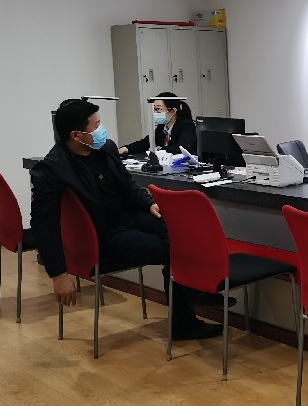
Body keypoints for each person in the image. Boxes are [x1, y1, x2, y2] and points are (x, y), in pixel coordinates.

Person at [30, 98, 222, 340]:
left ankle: (193, 299)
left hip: (127, 217)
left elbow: (127, 183)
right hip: (101, 237)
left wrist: (148, 202)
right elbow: (43, 224)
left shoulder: (106, 148)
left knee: (180, 230)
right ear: (76, 135)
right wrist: (58, 274)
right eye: (96, 126)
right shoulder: (53, 169)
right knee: (173, 248)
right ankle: (186, 317)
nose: (102, 130)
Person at [119, 92, 197, 156]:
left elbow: (181, 149)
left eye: (158, 109)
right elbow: (146, 142)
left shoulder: (187, 126)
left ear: (173, 111)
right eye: (154, 110)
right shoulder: (162, 127)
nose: (155, 113)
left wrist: (159, 149)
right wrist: (125, 149)